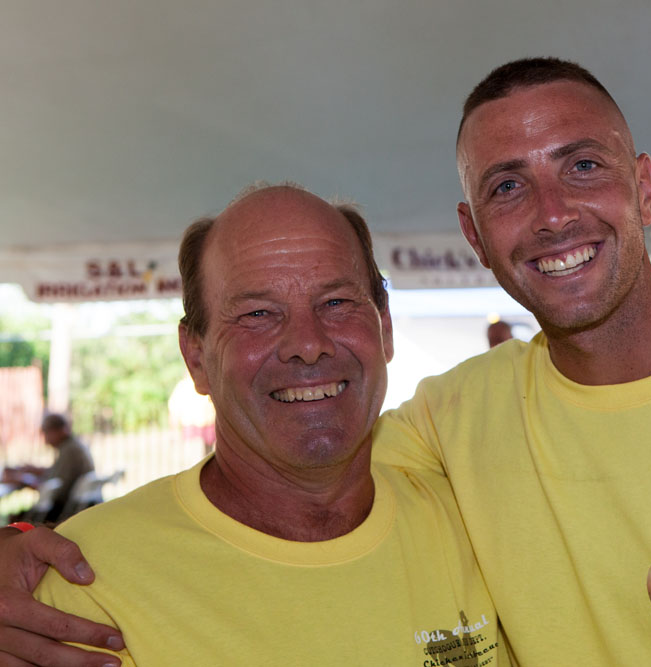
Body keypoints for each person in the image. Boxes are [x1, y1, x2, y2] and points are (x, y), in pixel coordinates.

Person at [4, 57, 651, 666]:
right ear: (473, 235)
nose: (555, 212)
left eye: (582, 165)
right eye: (508, 187)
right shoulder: (453, 424)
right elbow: (290, 470)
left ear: (643, 188)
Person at [8, 185, 507, 666]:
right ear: (196, 357)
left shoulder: (481, 522)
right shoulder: (87, 588)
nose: (307, 344)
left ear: (386, 328)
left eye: (336, 302)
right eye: (258, 313)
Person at [4, 414, 94, 524]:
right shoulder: (72, 446)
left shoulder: (69, 450)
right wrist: (32, 470)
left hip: (64, 509)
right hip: (72, 505)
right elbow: (56, 473)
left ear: (59, 431)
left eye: (46, 432)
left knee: (14, 520)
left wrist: (24, 481)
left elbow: (57, 486)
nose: (45, 437)